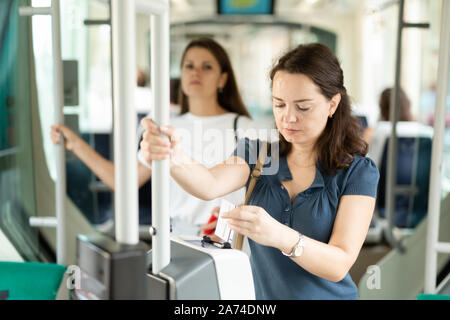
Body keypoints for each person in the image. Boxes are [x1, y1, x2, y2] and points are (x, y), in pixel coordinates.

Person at [140, 43, 380, 299]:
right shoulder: (258, 154)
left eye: (303, 107)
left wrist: (278, 235)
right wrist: (172, 154)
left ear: (332, 104)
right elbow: (208, 184)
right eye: (279, 105)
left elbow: (339, 263)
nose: (288, 117)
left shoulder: (358, 172)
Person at [51, 38, 257, 235]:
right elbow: (123, 181)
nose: (196, 72)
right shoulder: (167, 129)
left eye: (207, 67)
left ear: (222, 79)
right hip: (175, 238)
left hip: (225, 236)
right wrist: (76, 144)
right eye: (189, 66)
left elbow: (264, 191)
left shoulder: (242, 127)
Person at [366, 87, 432, 167]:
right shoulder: (425, 132)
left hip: (381, 178)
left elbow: (368, 163)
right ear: (407, 105)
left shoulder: (378, 130)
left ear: (382, 108)